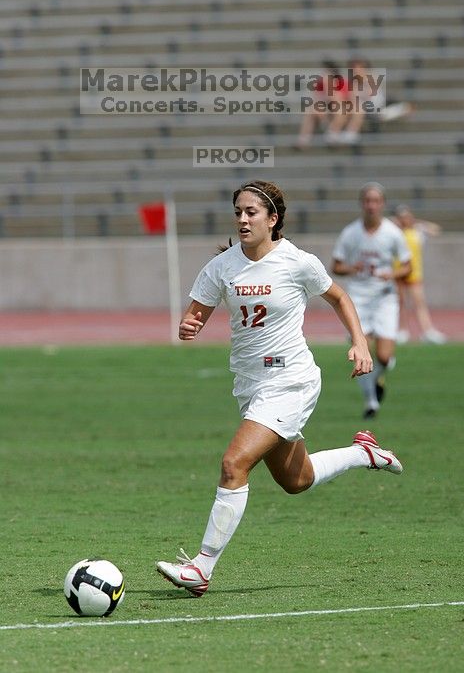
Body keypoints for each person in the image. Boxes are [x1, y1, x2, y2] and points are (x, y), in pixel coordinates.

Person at [156, 179, 403, 597]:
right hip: (251, 385)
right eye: (238, 212)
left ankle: (201, 567)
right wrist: (189, 324)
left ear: (273, 219)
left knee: (234, 464)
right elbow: (196, 313)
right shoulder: (222, 266)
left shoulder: (296, 262)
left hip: (290, 380)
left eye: (251, 212)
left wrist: (359, 343)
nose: (242, 219)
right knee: (296, 480)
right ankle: (364, 452)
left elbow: (340, 297)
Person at [331, 182, 412, 419]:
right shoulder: (350, 232)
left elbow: (407, 266)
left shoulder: (393, 233)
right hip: (357, 298)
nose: (371, 206)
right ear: (361, 204)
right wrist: (350, 267)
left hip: (385, 297)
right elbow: (335, 266)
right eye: (367, 201)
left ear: (382, 204)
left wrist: (392, 274)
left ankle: (379, 378)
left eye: (376, 201)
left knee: (384, 357)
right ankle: (371, 401)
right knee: (362, 350)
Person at [394, 204, 446, 344]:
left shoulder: (418, 231)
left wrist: (418, 222)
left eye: (407, 216)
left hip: (414, 273)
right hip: (398, 272)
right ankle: (402, 331)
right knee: (401, 303)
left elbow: (436, 230)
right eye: (402, 217)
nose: (405, 220)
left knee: (419, 303)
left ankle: (427, 331)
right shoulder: (394, 231)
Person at [296, 60, 352, 148]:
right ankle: (304, 139)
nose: (323, 74)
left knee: (339, 109)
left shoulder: (343, 82)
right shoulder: (320, 84)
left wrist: (329, 88)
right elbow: (316, 100)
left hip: (342, 110)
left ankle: (332, 135)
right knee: (312, 110)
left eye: (325, 72)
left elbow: (342, 100)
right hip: (327, 110)